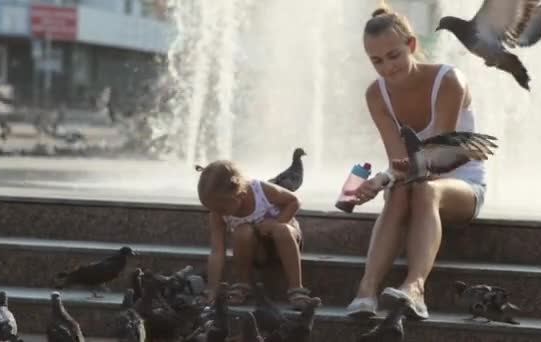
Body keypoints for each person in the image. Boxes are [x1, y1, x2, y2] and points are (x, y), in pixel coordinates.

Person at [344, 5, 487, 320]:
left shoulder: (449, 80)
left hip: (461, 185)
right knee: (399, 191)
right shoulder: (376, 95)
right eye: (377, 61)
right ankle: (366, 291)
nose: (388, 68)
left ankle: (415, 289)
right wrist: (378, 183)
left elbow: (436, 160)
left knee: (423, 190)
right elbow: (400, 162)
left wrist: (387, 178)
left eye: (394, 56)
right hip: (415, 182)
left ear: (411, 45)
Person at [197, 160, 319, 310]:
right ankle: (243, 284)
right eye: (211, 208)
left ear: (240, 195)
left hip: (285, 244)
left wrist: (277, 222)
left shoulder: (260, 190)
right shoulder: (217, 212)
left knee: (282, 230)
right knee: (242, 231)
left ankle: (296, 290)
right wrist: (212, 288)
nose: (217, 212)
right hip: (258, 252)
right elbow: (217, 251)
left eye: (221, 208)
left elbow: (294, 201)